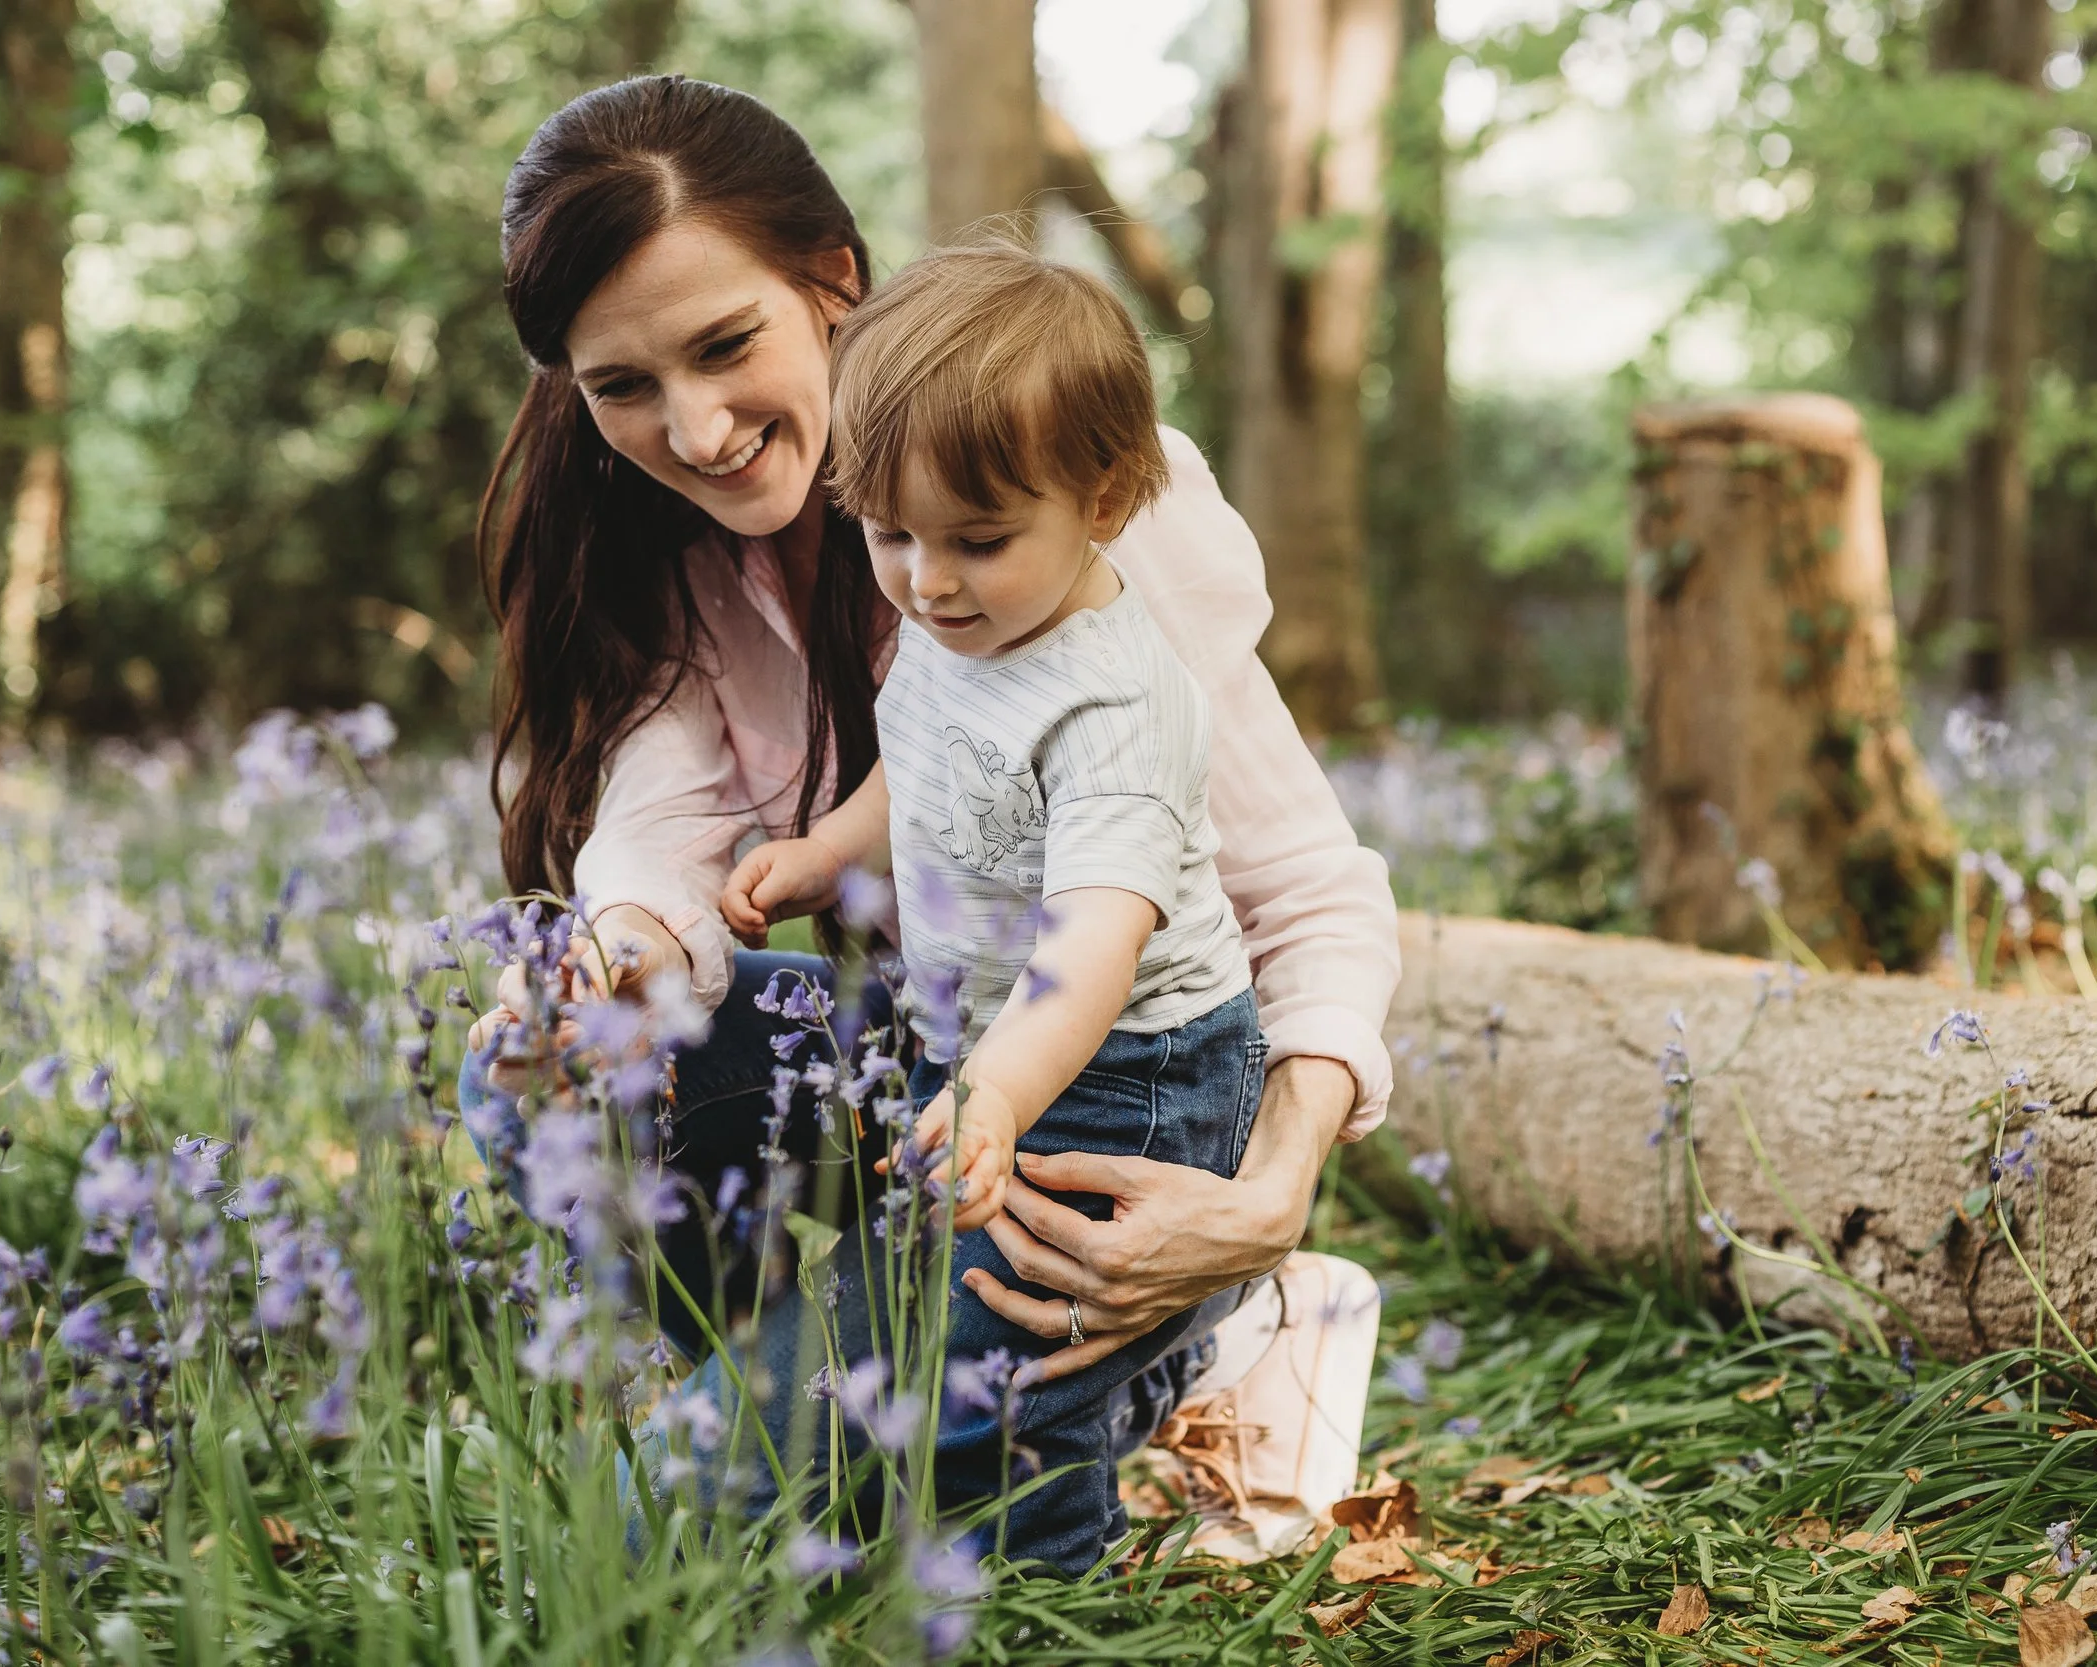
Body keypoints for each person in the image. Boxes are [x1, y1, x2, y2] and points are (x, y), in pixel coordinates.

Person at [459, 74, 1397, 1561]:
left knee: (652, 1532)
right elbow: (663, 825)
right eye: (622, 385)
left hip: (1099, 1088)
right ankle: (878, 1374)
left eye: (724, 346)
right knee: (532, 1080)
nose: (694, 430)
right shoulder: (653, 551)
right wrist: (623, 952)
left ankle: (1208, 1333)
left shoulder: (1085, 514)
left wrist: (1269, 1192)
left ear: (832, 278)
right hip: (944, 1066)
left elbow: (1302, 888)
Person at [713, 244, 1267, 1569]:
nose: (928, 579)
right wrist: (826, 852)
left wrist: (1002, 1095)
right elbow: (927, 759)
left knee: (1015, 1350)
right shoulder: (963, 631)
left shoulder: (1115, 708)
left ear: (1109, 497)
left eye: (978, 540)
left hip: (1127, 1073)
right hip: (981, 1043)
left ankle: (1049, 1562)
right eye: (891, 534)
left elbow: (1092, 944)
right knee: (943, 1308)